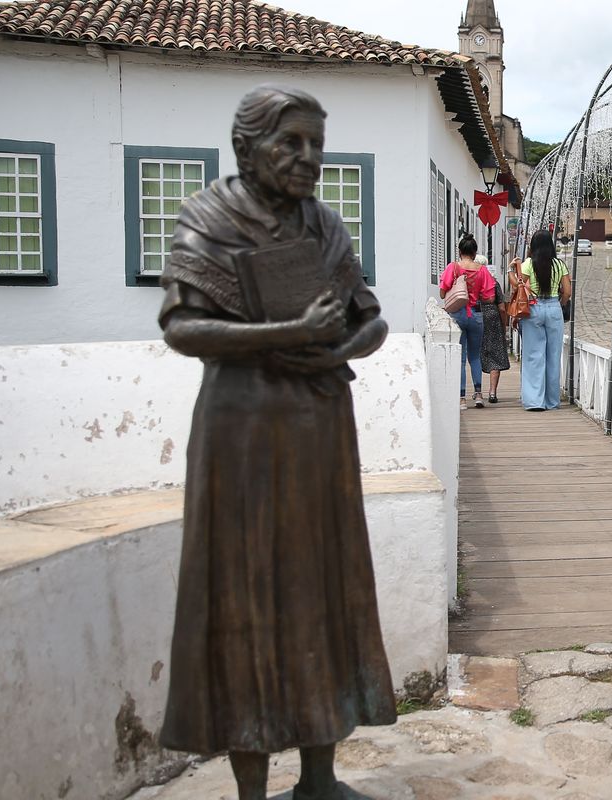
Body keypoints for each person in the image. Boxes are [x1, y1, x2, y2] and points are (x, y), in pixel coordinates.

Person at [156, 84, 395, 800]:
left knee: (324, 585)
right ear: (247, 146)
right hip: (243, 434)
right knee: (246, 596)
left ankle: (319, 779)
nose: (308, 157)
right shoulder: (209, 219)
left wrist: (337, 349)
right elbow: (181, 328)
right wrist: (286, 334)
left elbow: (371, 318)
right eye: (291, 142)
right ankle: (252, 792)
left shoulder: (325, 225)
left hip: (319, 426)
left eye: (316, 143)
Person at [512, 230, 571, 411]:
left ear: (533, 246)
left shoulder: (528, 264)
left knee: (534, 355)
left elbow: (519, 287)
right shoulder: (559, 264)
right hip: (554, 308)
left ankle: (535, 401)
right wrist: (560, 304)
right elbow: (567, 291)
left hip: (534, 308)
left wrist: (511, 271)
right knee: (553, 356)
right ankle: (552, 401)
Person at [440, 235, 499, 408]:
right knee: (475, 356)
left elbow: (442, 293)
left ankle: (461, 398)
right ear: (474, 253)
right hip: (476, 315)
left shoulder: (453, 267)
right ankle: (479, 394)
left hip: (457, 315)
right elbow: (490, 298)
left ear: (459, 251)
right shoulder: (482, 270)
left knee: (460, 357)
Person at [480, 247, 512, 403]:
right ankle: (492, 392)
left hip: (476, 316)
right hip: (493, 318)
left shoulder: (469, 282)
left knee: (475, 356)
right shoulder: (493, 282)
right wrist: (504, 325)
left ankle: (477, 392)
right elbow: (502, 308)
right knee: (495, 355)